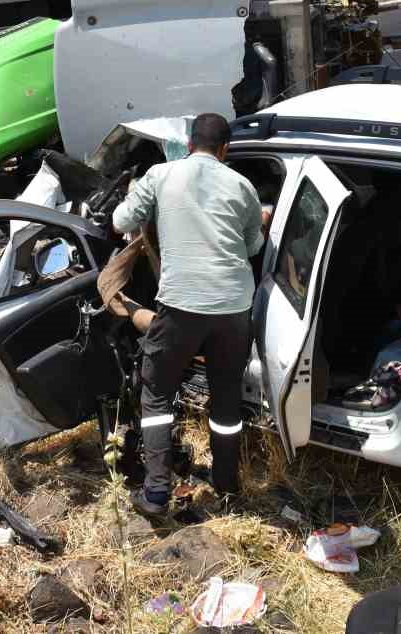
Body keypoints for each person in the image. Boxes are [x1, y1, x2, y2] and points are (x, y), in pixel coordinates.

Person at [112, 113, 266, 517]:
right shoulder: (243, 186)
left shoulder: (160, 175)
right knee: (226, 400)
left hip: (182, 304)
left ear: (190, 143)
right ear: (225, 149)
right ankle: (226, 486)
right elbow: (253, 247)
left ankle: (156, 493)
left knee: (156, 392)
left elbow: (120, 221)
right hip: (234, 307)